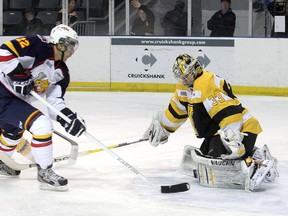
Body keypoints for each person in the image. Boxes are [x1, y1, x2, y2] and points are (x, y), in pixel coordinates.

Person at [143, 53, 278, 191]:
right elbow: (176, 112)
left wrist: (234, 138)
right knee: (205, 160)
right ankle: (252, 153)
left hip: (242, 129)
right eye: (181, 77)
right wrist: (162, 128)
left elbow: (228, 113)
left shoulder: (206, 83)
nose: (184, 80)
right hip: (216, 133)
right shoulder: (184, 88)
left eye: (186, 75)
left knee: (219, 163)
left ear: (195, 69)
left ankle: (258, 163)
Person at [0, 24, 86, 191]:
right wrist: (19, 76)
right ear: (60, 44)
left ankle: (2, 161)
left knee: (13, 132)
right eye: (71, 46)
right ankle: (44, 173)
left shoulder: (62, 72)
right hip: (2, 93)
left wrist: (69, 119)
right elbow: (3, 51)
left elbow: (55, 103)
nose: (72, 51)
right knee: (41, 125)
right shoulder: (37, 45)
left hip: (13, 101)